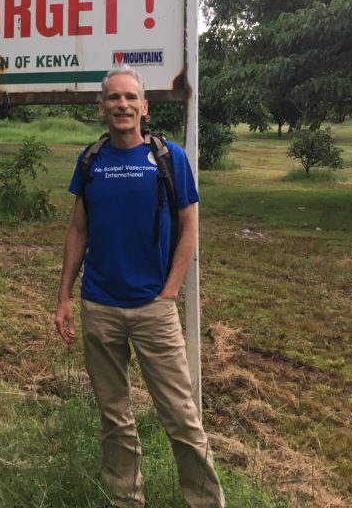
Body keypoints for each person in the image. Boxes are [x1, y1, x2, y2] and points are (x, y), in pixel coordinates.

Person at [54, 65, 225, 508]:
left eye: (131, 98)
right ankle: (125, 500)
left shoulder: (169, 159)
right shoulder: (90, 160)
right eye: (113, 98)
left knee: (182, 419)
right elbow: (78, 229)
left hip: (153, 308)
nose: (122, 105)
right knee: (115, 418)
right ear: (101, 108)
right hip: (99, 307)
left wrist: (169, 292)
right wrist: (64, 297)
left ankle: (206, 502)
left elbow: (190, 228)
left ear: (144, 107)